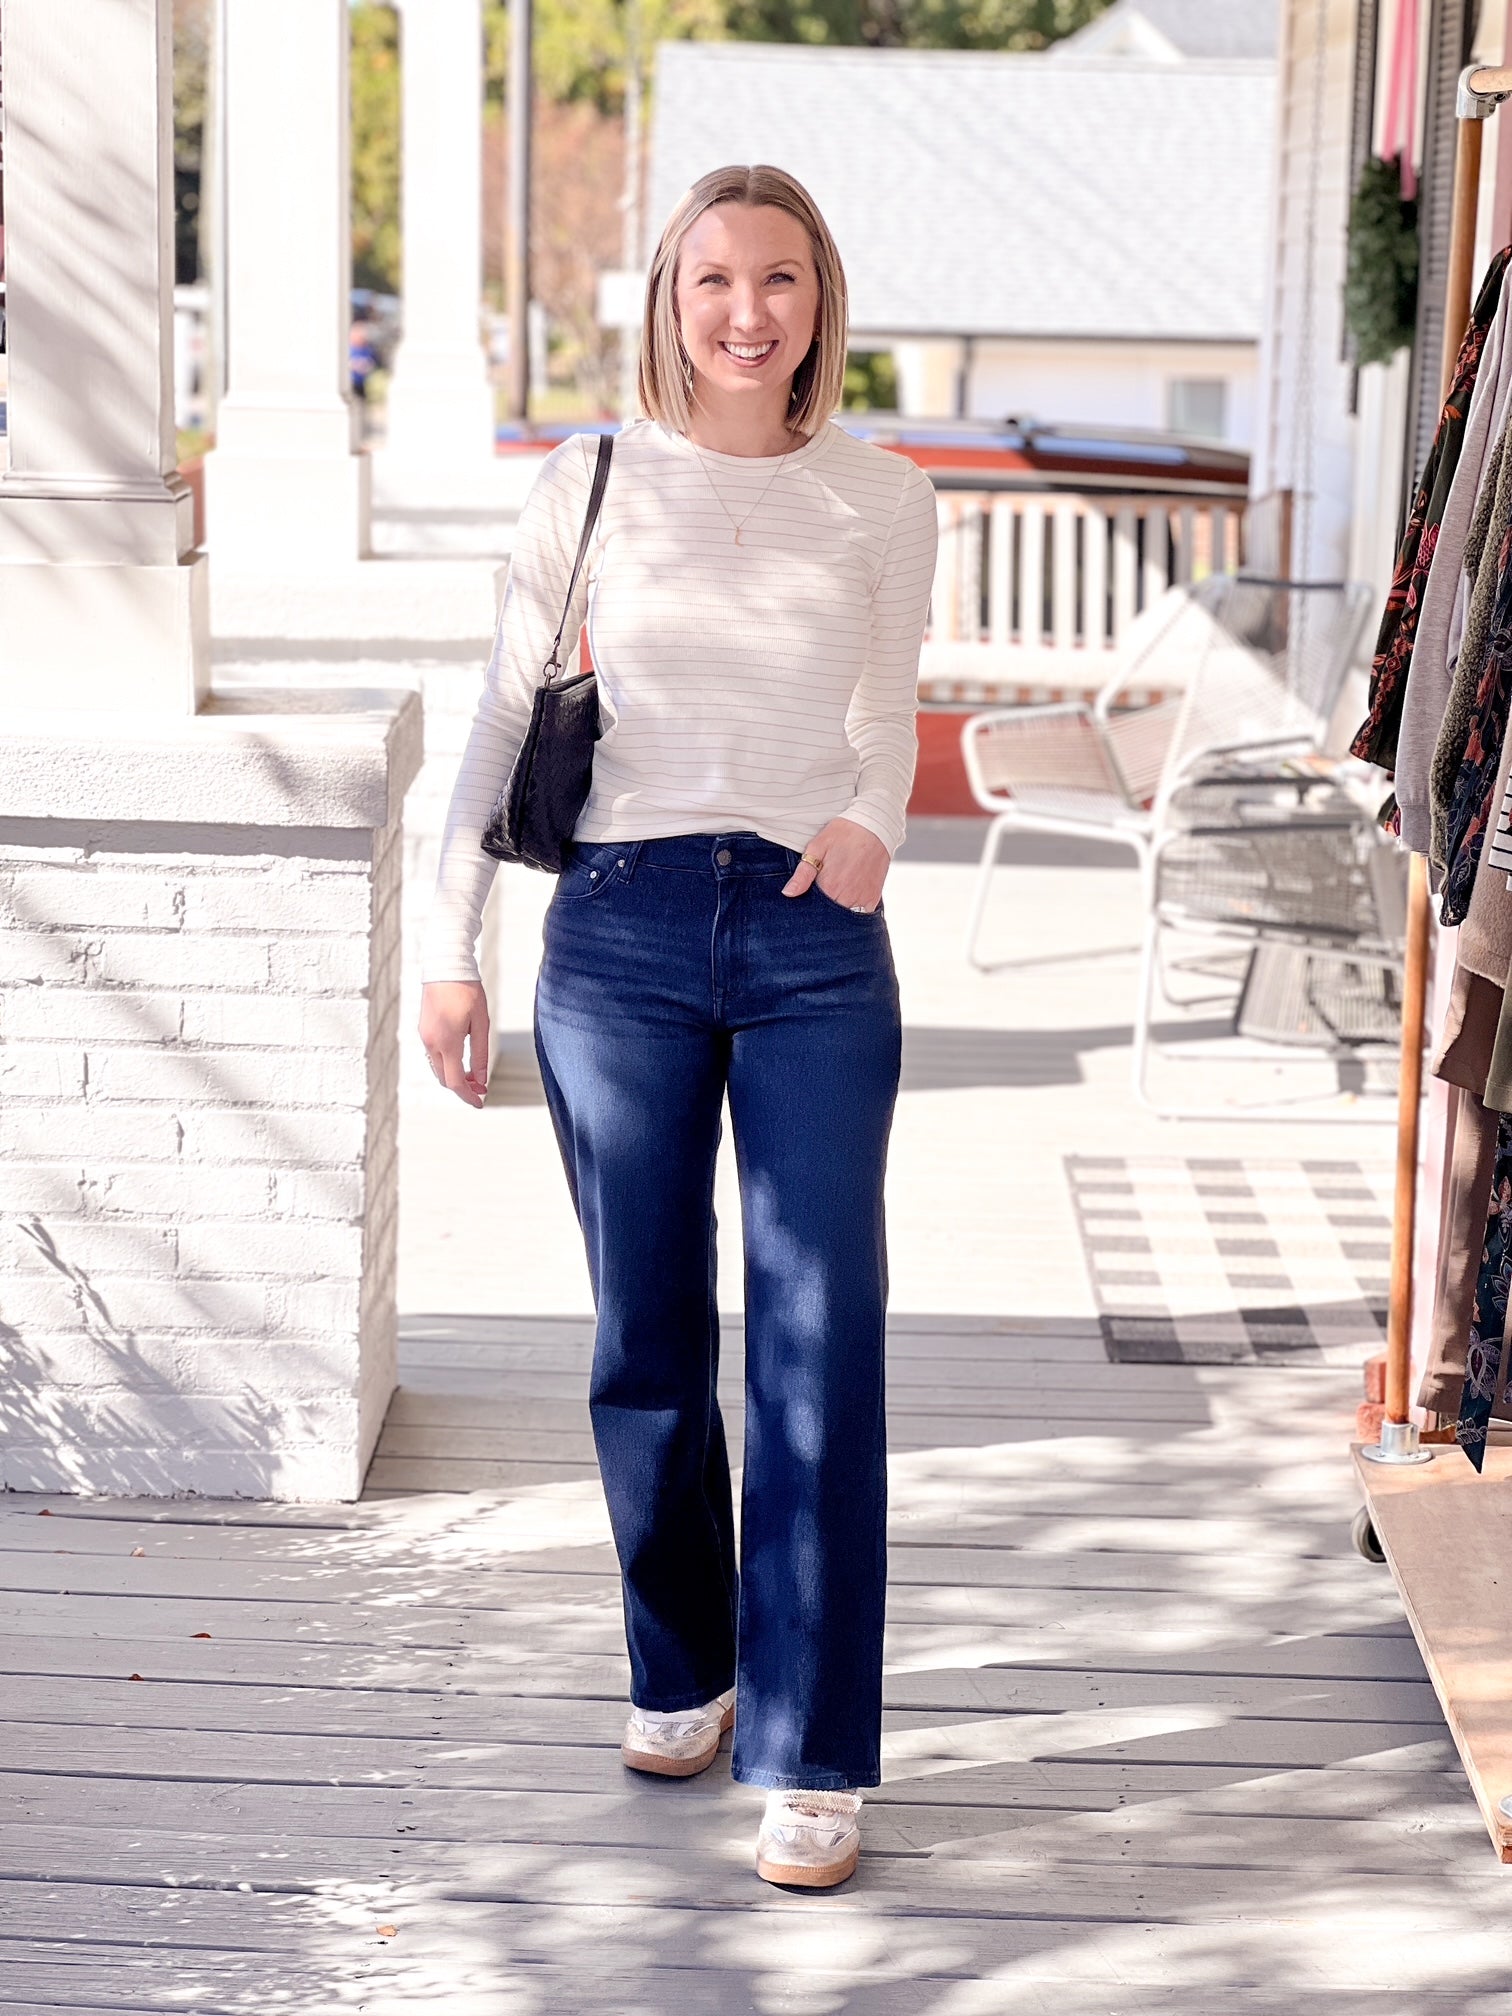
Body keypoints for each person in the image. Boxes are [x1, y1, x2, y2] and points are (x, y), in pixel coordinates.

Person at [418, 163, 937, 1889]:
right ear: (668, 297)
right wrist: (450, 945)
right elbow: (504, 714)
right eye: (713, 277)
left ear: (819, 299)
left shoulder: (883, 495)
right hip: (619, 939)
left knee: (817, 1330)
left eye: (777, 278)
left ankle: (812, 1748)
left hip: (810, 940)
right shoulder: (591, 480)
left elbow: (889, 721)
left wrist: (875, 824)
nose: (745, 310)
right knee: (645, 1335)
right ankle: (686, 1671)